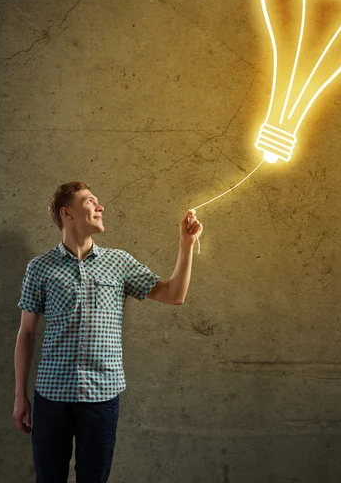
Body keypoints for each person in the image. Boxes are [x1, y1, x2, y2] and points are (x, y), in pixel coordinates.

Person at [13, 181, 203, 483]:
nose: (100, 207)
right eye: (90, 202)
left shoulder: (119, 262)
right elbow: (26, 333)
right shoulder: (40, 267)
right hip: (51, 396)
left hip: (102, 396)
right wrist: (20, 396)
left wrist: (186, 243)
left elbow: (173, 294)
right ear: (67, 213)